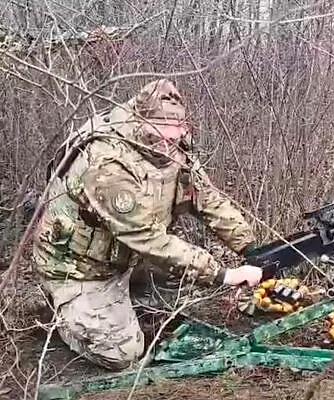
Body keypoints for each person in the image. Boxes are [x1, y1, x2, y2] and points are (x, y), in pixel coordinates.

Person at [32, 79, 263, 371]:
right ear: (140, 120)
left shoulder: (174, 146)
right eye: (161, 131)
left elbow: (207, 200)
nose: (170, 139)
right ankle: (62, 308)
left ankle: (125, 297)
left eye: (176, 131)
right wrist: (222, 274)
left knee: (172, 305)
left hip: (126, 257)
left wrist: (250, 247)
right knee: (123, 354)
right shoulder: (107, 162)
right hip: (79, 268)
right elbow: (147, 237)